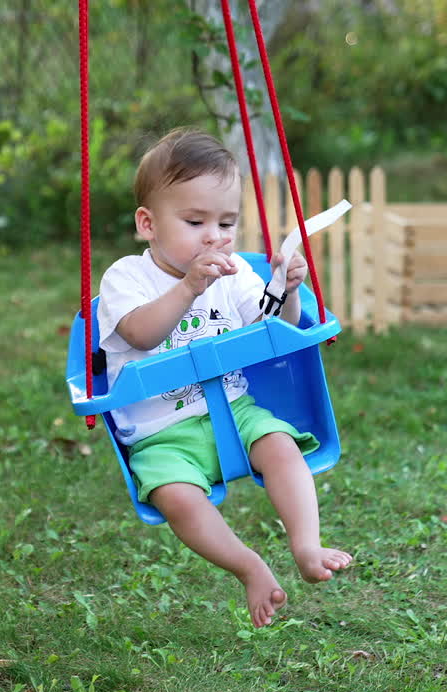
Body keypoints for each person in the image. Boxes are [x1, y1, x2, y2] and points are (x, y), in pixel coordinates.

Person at [97, 128, 353, 629]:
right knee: (175, 497)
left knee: (281, 445)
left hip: (234, 410)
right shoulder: (125, 278)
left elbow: (268, 331)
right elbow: (141, 334)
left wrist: (288, 289)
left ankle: (305, 545)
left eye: (226, 222)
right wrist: (189, 288)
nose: (214, 236)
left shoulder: (235, 273)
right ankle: (248, 566)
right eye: (195, 221)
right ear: (148, 223)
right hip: (161, 433)